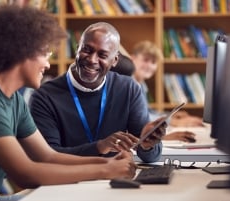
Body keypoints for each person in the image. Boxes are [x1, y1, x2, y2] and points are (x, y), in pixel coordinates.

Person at [0, 6, 138, 201]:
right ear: (21, 50)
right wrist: (105, 170)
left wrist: (108, 161)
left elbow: (48, 156)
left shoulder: (15, 100)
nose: (47, 64)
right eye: (45, 53)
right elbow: (25, 174)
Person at [29, 22, 165, 163]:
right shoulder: (44, 96)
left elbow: (151, 157)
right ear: (77, 49)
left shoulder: (128, 89)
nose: (92, 59)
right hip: (67, 180)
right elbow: (47, 156)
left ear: (115, 60)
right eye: (87, 50)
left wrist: (147, 145)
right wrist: (99, 147)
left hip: (112, 179)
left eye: (102, 55)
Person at [130, 41, 204, 141]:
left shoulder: (141, 84)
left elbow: (148, 111)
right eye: (145, 60)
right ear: (132, 58)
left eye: (153, 62)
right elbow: (141, 118)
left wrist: (170, 115)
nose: (149, 66)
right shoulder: (128, 85)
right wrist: (173, 121)